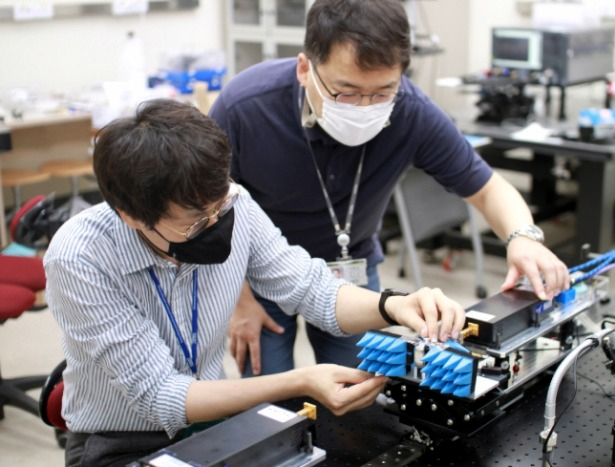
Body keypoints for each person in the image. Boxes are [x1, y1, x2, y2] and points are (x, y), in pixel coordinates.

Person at [43, 99, 465, 467]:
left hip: (209, 422)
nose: (217, 223)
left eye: (220, 205)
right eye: (195, 223)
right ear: (132, 216)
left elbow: (310, 288)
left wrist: (392, 305)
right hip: (121, 440)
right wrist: (301, 381)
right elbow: (161, 398)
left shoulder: (234, 202)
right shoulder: (80, 258)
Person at [209, 0, 570, 377]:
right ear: (305, 69)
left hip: (352, 274)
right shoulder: (244, 107)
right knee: (274, 405)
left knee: (360, 397)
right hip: (258, 281)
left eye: (382, 93)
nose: (365, 106)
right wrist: (239, 301)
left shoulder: (412, 112)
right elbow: (207, 211)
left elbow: (487, 188)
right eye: (346, 93)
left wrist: (523, 237)